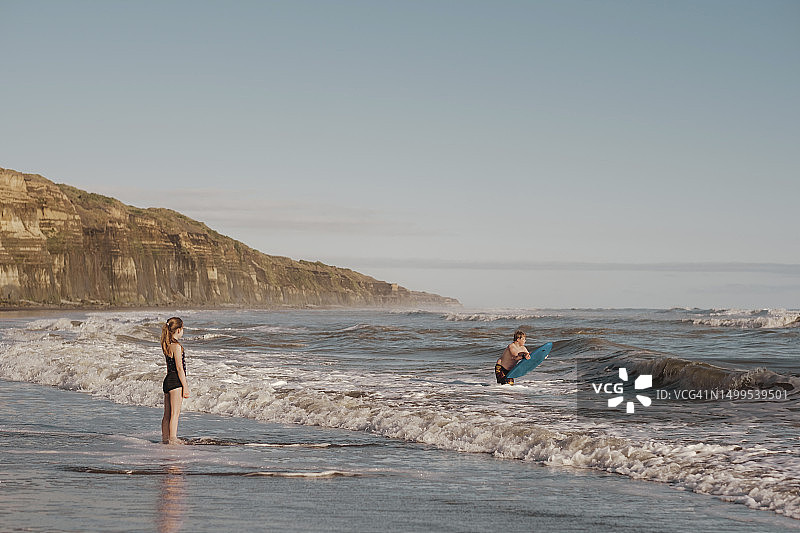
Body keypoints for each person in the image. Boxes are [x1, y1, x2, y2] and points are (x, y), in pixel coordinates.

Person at [161, 317, 189, 444]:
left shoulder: (167, 345)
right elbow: (179, 368)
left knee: (167, 414)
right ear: (178, 330)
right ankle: (172, 439)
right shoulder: (177, 346)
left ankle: (165, 439)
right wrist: (185, 386)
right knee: (175, 414)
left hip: (167, 380)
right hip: (176, 381)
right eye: (182, 329)